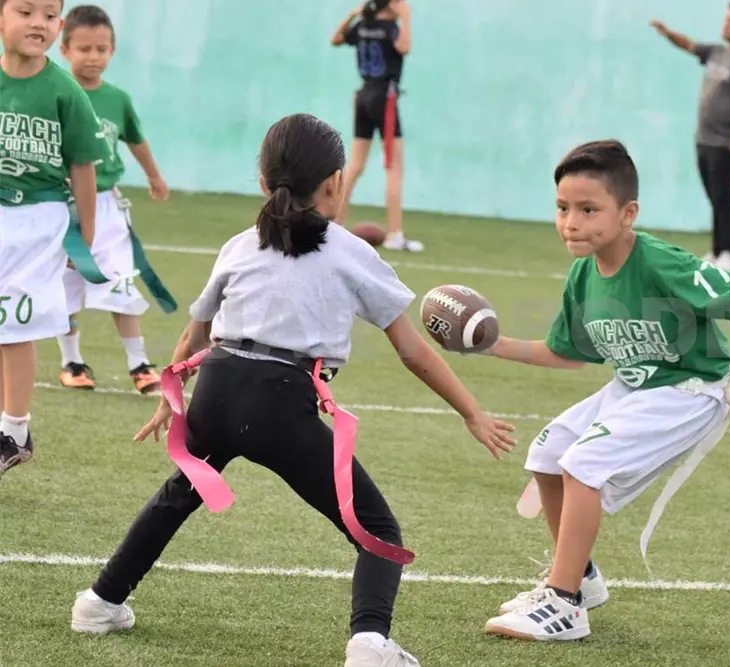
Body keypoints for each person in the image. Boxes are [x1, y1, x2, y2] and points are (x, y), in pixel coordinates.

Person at [68, 113, 516, 667]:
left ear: (264, 183)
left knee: (177, 496)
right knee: (377, 529)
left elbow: (196, 331)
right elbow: (411, 349)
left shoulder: (239, 245)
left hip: (219, 387)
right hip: (281, 403)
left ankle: (99, 601)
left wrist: (172, 396)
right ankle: (370, 644)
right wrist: (472, 412)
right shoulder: (351, 251)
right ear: (336, 183)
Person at [467, 139, 730, 642]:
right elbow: (570, 352)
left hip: (691, 390)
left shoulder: (660, 262)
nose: (571, 222)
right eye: (562, 208)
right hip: (634, 385)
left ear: (628, 213)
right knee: (549, 453)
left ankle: (564, 603)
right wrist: (492, 345)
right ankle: (578, 575)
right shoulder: (583, 274)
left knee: (583, 463)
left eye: (588, 209)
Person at [0, 0, 108, 478]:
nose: (37, 23)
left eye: (48, 14)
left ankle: (15, 430)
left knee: (13, 322)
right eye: (25, 11)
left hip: (39, 217)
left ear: (59, 25)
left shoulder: (65, 91)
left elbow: (83, 166)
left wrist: (84, 235)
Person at [57, 4, 172, 395]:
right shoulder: (56, 91)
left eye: (102, 49)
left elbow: (135, 139)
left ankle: (138, 364)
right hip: (62, 206)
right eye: (84, 49)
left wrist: (154, 175)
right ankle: (71, 360)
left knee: (120, 281)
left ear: (112, 50)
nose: (94, 57)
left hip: (106, 206)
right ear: (65, 49)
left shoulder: (117, 98)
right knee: (66, 285)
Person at [650, 3, 730, 272]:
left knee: (724, 196)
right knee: (714, 196)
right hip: (704, 139)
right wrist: (667, 33)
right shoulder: (716, 53)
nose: (726, 25)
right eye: (726, 19)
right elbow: (689, 45)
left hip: (726, 142)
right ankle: (717, 251)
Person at [331, 0, 422, 252]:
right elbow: (404, 47)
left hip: (363, 96)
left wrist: (351, 15)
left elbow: (336, 39)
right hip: (384, 98)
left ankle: (334, 222)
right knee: (394, 166)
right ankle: (395, 234)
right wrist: (406, 18)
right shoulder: (390, 27)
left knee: (355, 165)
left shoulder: (363, 26)